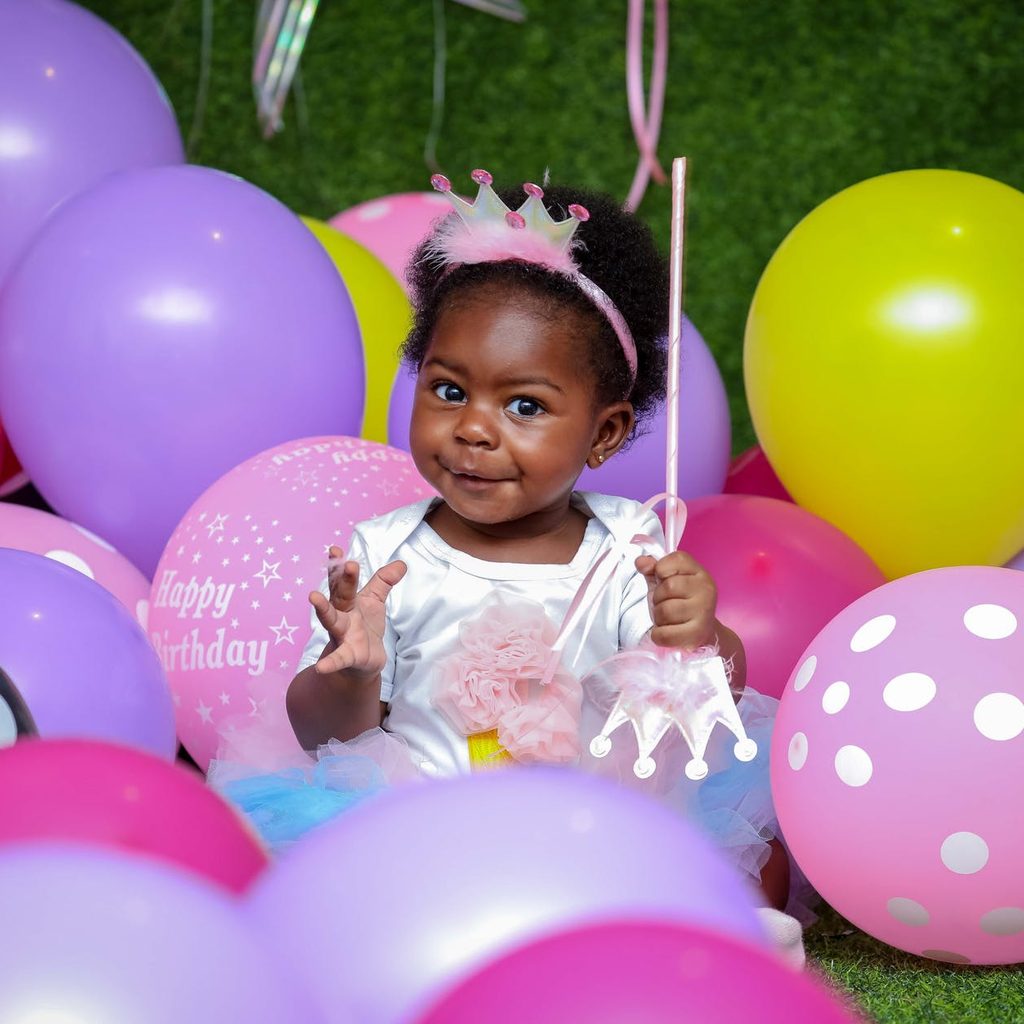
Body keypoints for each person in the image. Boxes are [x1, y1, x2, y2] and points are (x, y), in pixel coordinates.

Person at [282, 172, 802, 948]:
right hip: (429, 838)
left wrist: (695, 636)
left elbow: (705, 706)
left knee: (726, 869)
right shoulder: (384, 553)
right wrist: (347, 674)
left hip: (593, 837)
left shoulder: (630, 546)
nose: (475, 430)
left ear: (604, 433)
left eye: (524, 406)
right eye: (449, 390)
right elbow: (319, 737)